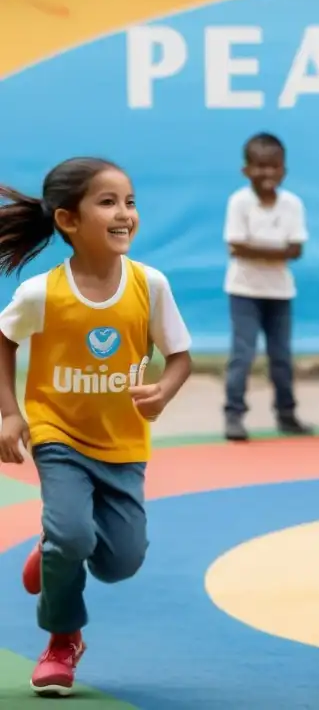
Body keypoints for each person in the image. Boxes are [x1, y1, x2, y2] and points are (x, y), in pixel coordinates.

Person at [0, 157, 193, 697]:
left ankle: (54, 547)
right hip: (58, 433)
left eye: (129, 202)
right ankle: (62, 639)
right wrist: (11, 413)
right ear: (67, 220)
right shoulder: (42, 294)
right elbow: (4, 339)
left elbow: (180, 356)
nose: (124, 213)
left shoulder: (149, 285)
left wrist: (164, 391)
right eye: (107, 202)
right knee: (73, 534)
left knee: (120, 562)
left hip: (124, 445)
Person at [222, 132, 313, 441]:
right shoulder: (238, 202)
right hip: (244, 292)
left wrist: (254, 248)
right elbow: (235, 247)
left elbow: (296, 250)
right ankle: (234, 415)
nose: (267, 173)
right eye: (259, 166)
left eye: (274, 166)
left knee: (282, 357)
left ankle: (286, 415)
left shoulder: (292, 205)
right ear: (246, 170)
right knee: (242, 355)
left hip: (280, 293)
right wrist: (278, 251)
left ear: (283, 170)